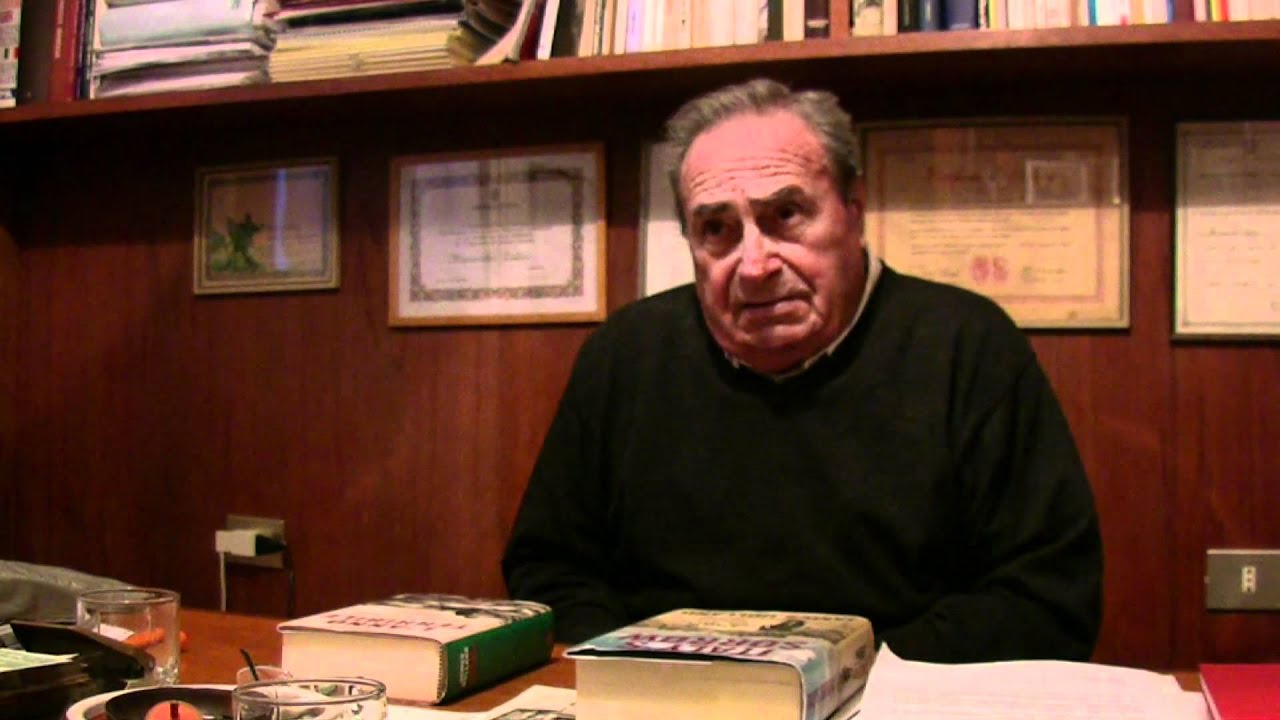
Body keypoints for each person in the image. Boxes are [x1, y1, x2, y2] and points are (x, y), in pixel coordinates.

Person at [501, 78, 1103, 663]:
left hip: (893, 698)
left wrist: (839, 681)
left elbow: (1047, 597)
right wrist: (641, 673)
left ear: (854, 212)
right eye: (717, 229)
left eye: (786, 214)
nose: (755, 265)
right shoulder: (626, 354)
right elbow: (550, 566)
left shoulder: (968, 347)